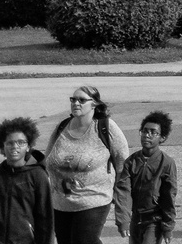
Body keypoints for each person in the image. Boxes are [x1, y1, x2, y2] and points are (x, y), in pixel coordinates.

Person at [44, 85, 128, 244]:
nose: (76, 103)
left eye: (81, 100)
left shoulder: (106, 127)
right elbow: (47, 160)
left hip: (94, 200)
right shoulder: (62, 126)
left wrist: (120, 194)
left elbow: (122, 163)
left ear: (94, 104)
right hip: (60, 203)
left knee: (83, 240)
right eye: (73, 99)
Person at [0, 116, 52, 244]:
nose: (15, 147)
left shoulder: (38, 176)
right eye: (10, 143)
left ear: (29, 147)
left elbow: (45, 219)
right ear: (2, 147)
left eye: (21, 142)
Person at [120, 112, 176, 244]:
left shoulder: (166, 163)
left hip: (154, 220)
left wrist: (168, 227)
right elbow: (123, 192)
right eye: (144, 131)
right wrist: (123, 220)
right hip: (135, 219)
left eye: (153, 132)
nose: (147, 135)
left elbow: (169, 196)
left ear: (162, 137)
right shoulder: (131, 162)